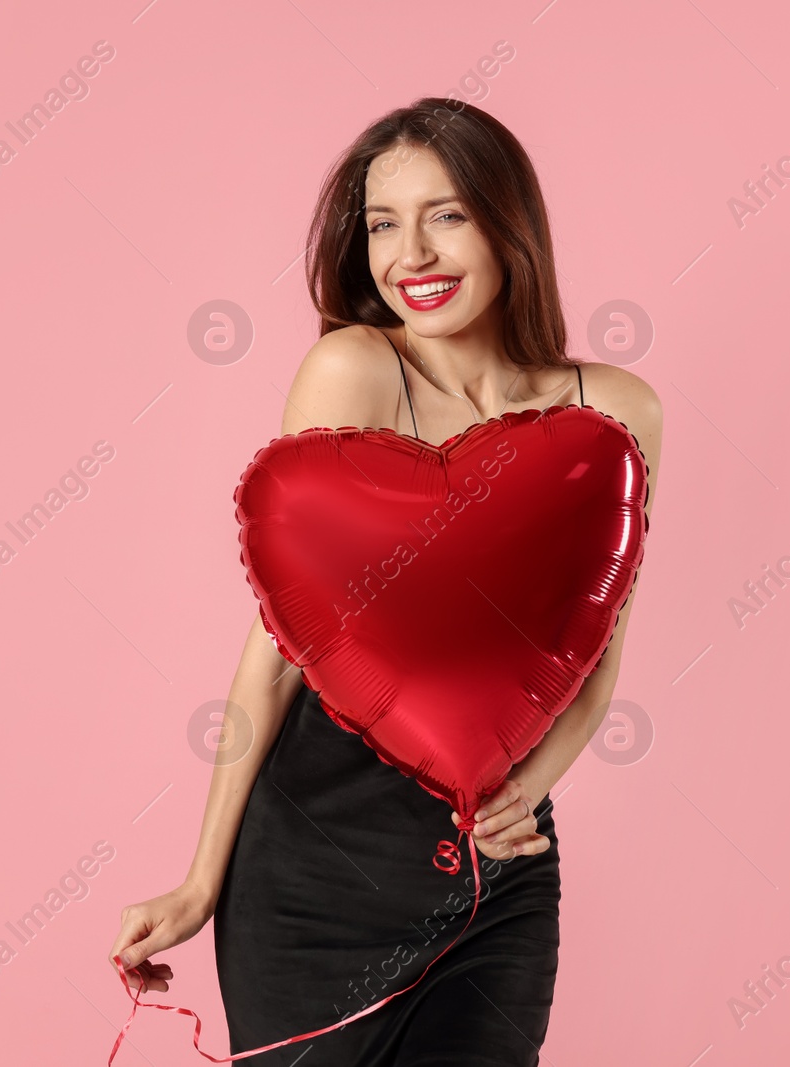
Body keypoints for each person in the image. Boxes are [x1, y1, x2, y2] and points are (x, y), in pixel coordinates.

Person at [109, 97, 662, 1066]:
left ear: (508, 224)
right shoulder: (352, 370)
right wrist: (201, 877)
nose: (411, 254)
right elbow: (280, 647)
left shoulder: (611, 415)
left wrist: (529, 789)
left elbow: (598, 659)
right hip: (310, 869)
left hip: (496, 883)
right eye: (381, 224)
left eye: (445, 214)